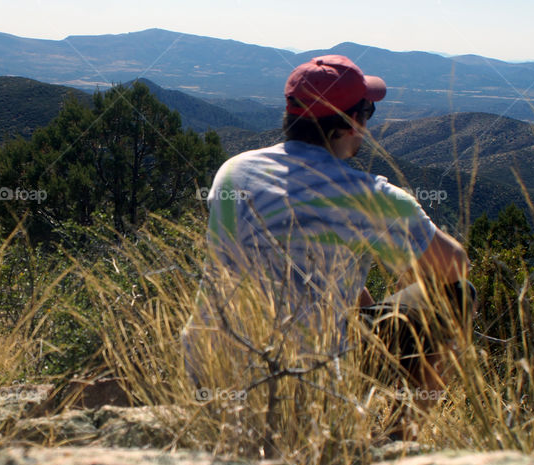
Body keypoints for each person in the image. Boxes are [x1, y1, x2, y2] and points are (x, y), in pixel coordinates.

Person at [183, 54, 472, 413]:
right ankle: (401, 439)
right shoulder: (370, 197)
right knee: (458, 294)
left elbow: (302, 261)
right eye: (367, 111)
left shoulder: (233, 171)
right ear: (351, 122)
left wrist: (364, 307)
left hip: (209, 367)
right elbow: (455, 265)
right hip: (305, 378)